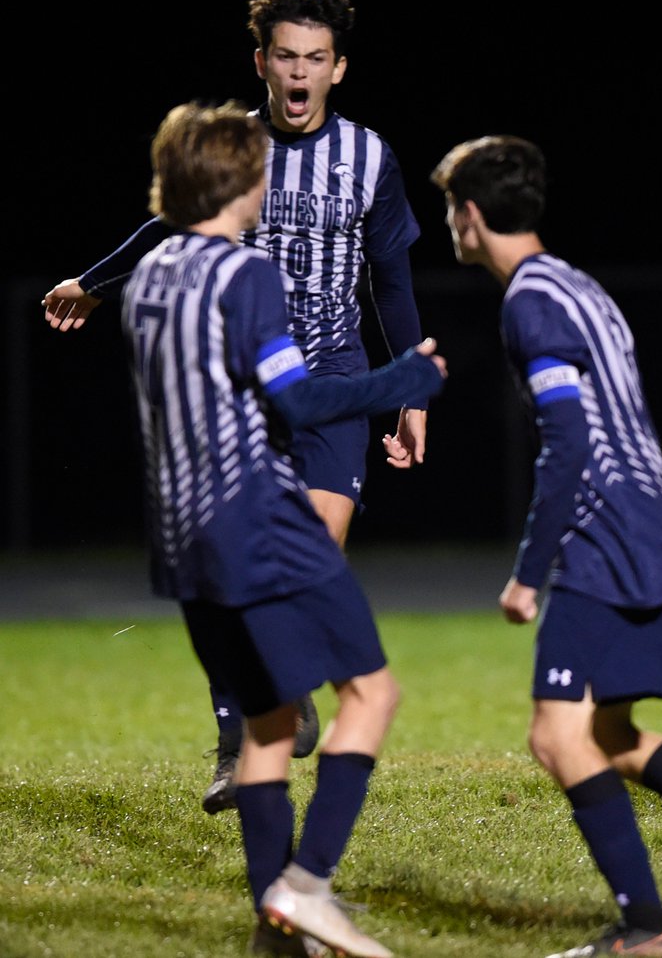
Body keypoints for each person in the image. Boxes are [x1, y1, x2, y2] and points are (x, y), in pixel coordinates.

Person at [424, 134, 662, 957]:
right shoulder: (576, 285)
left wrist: (531, 573)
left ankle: (648, 925)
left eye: (449, 211)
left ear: (468, 215)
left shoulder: (529, 302)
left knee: (554, 735)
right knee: (606, 734)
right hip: (648, 525)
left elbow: (569, 440)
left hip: (604, 533)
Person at [42, 0, 428, 814]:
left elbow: (390, 281)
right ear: (261, 61)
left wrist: (410, 397)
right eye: (285, 56)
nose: (298, 73)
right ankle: (241, 741)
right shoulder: (237, 147)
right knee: (238, 567)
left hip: (330, 379)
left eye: (315, 60)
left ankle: (281, 701)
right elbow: (169, 222)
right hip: (239, 387)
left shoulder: (370, 157)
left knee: (308, 560)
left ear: (339, 69)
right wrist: (95, 281)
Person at [110, 101, 444, 957]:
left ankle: (275, 927)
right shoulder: (246, 274)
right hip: (259, 517)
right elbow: (294, 400)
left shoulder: (150, 278)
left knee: (266, 725)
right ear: (242, 180)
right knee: (372, 695)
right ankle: (309, 887)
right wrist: (400, 382)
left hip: (180, 544)